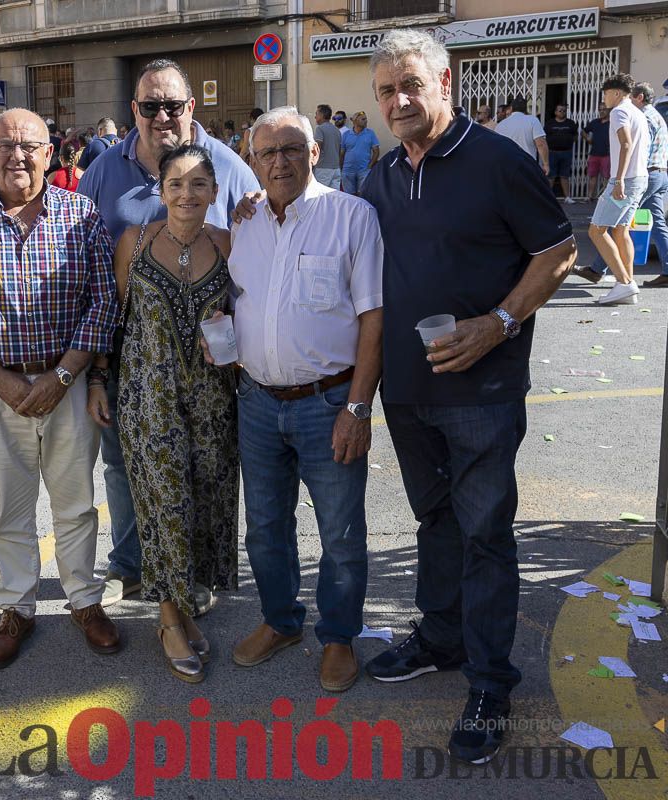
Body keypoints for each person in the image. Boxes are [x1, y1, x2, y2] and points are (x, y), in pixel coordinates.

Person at [360, 30, 575, 764]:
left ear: (444, 82)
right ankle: (442, 638)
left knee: (484, 534)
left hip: (482, 387)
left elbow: (558, 250)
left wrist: (501, 323)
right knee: (435, 521)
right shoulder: (384, 174)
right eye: (387, 90)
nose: (399, 101)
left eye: (411, 85)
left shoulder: (497, 160)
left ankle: (490, 682)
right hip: (408, 389)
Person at [0, 108, 122, 669]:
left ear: (50, 153)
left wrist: (64, 375)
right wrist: (3, 381)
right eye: (5, 146)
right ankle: (16, 605)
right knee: (8, 507)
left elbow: (103, 302)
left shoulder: (81, 215)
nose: (17, 155)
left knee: (75, 502)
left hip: (70, 380)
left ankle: (85, 599)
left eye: (29, 145)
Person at [77, 58, 259, 614]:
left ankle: (190, 577)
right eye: (150, 106)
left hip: (210, 367)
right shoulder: (104, 171)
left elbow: (254, 264)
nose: (162, 115)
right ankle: (133, 569)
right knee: (124, 468)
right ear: (134, 111)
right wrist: (96, 373)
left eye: (172, 105)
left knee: (205, 474)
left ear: (190, 107)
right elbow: (92, 271)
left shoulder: (230, 168)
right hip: (139, 364)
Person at [226, 107, 383, 693]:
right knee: (266, 526)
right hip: (258, 402)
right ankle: (281, 621)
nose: (279, 161)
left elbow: (374, 318)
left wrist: (359, 408)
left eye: (291, 148)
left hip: (329, 402)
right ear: (253, 159)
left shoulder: (352, 217)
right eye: (266, 152)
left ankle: (339, 636)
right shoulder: (244, 221)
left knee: (340, 530)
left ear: (315, 151)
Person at [86, 144, 237, 683]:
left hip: (213, 400)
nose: (186, 194)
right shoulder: (136, 241)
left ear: (215, 192)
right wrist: (100, 379)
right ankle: (169, 619)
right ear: (162, 190)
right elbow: (112, 317)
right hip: (148, 398)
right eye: (176, 183)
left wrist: (229, 338)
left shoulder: (228, 243)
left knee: (202, 502)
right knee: (162, 504)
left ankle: (183, 603)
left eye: (198, 184)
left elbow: (247, 315)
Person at [587, 74, 649, 306]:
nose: (604, 99)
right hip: (640, 178)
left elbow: (625, 143)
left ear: (615, 93)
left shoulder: (619, 111)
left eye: (605, 94)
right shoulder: (637, 112)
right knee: (620, 231)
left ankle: (624, 283)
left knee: (597, 231)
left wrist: (619, 179)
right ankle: (627, 284)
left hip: (626, 179)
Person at [632, 82, 668, 286]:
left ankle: (598, 269)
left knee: (617, 218)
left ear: (639, 98)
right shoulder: (658, 115)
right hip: (660, 174)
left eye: (631, 98)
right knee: (658, 225)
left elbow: (641, 150)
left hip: (648, 175)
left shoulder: (645, 117)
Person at [495, 97, 549, 175]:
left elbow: (497, 147)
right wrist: (546, 164)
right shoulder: (533, 120)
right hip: (527, 164)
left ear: (511, 108)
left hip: (506, 164)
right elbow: (541, 144)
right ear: (525, 108)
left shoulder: (500, 125)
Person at [544, 104, 578, 202]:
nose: (562, 112)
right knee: (551, 176)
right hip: (552, 152)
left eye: (563, 110)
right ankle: (548, 197)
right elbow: (544, 137)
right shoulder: (549, 123)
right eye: (560, 110)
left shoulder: (571, 123)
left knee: (565, 175)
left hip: (566, 152)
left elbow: (575, 136)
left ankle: (567, 197)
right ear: (555, 112)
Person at [339, 111, 379, 195]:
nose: (366, 121)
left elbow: (376, 151)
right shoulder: (346, 134)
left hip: (364, 170)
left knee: (363, 194)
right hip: (348, 171)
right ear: (355, 121)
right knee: (350, 196)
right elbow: (342, 153)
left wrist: (370, 166)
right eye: (363, 119)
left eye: (366, 119)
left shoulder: (370, 133)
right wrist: (341, 168)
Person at [583, 105, 611, 201]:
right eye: (600, 110)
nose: (602, 112)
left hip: (607, 154)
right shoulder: (595, 122)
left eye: (604, 110)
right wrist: (588, 138)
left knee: (606, 176)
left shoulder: (612, 124)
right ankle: (590, 196)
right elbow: (584, 131)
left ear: (608, 111)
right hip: (594, 153)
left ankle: (604, 197)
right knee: (592, 175)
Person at [313, 104, 343, 189]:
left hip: (323, 169)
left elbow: (317, 148)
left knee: (321, 196)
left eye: (316, 114)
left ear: (322, 115)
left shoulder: (319, 129)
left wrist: (311, 165)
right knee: (334, 197)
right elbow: (339, 150)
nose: (315, 117)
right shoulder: (336, 130)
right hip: (336, 169)